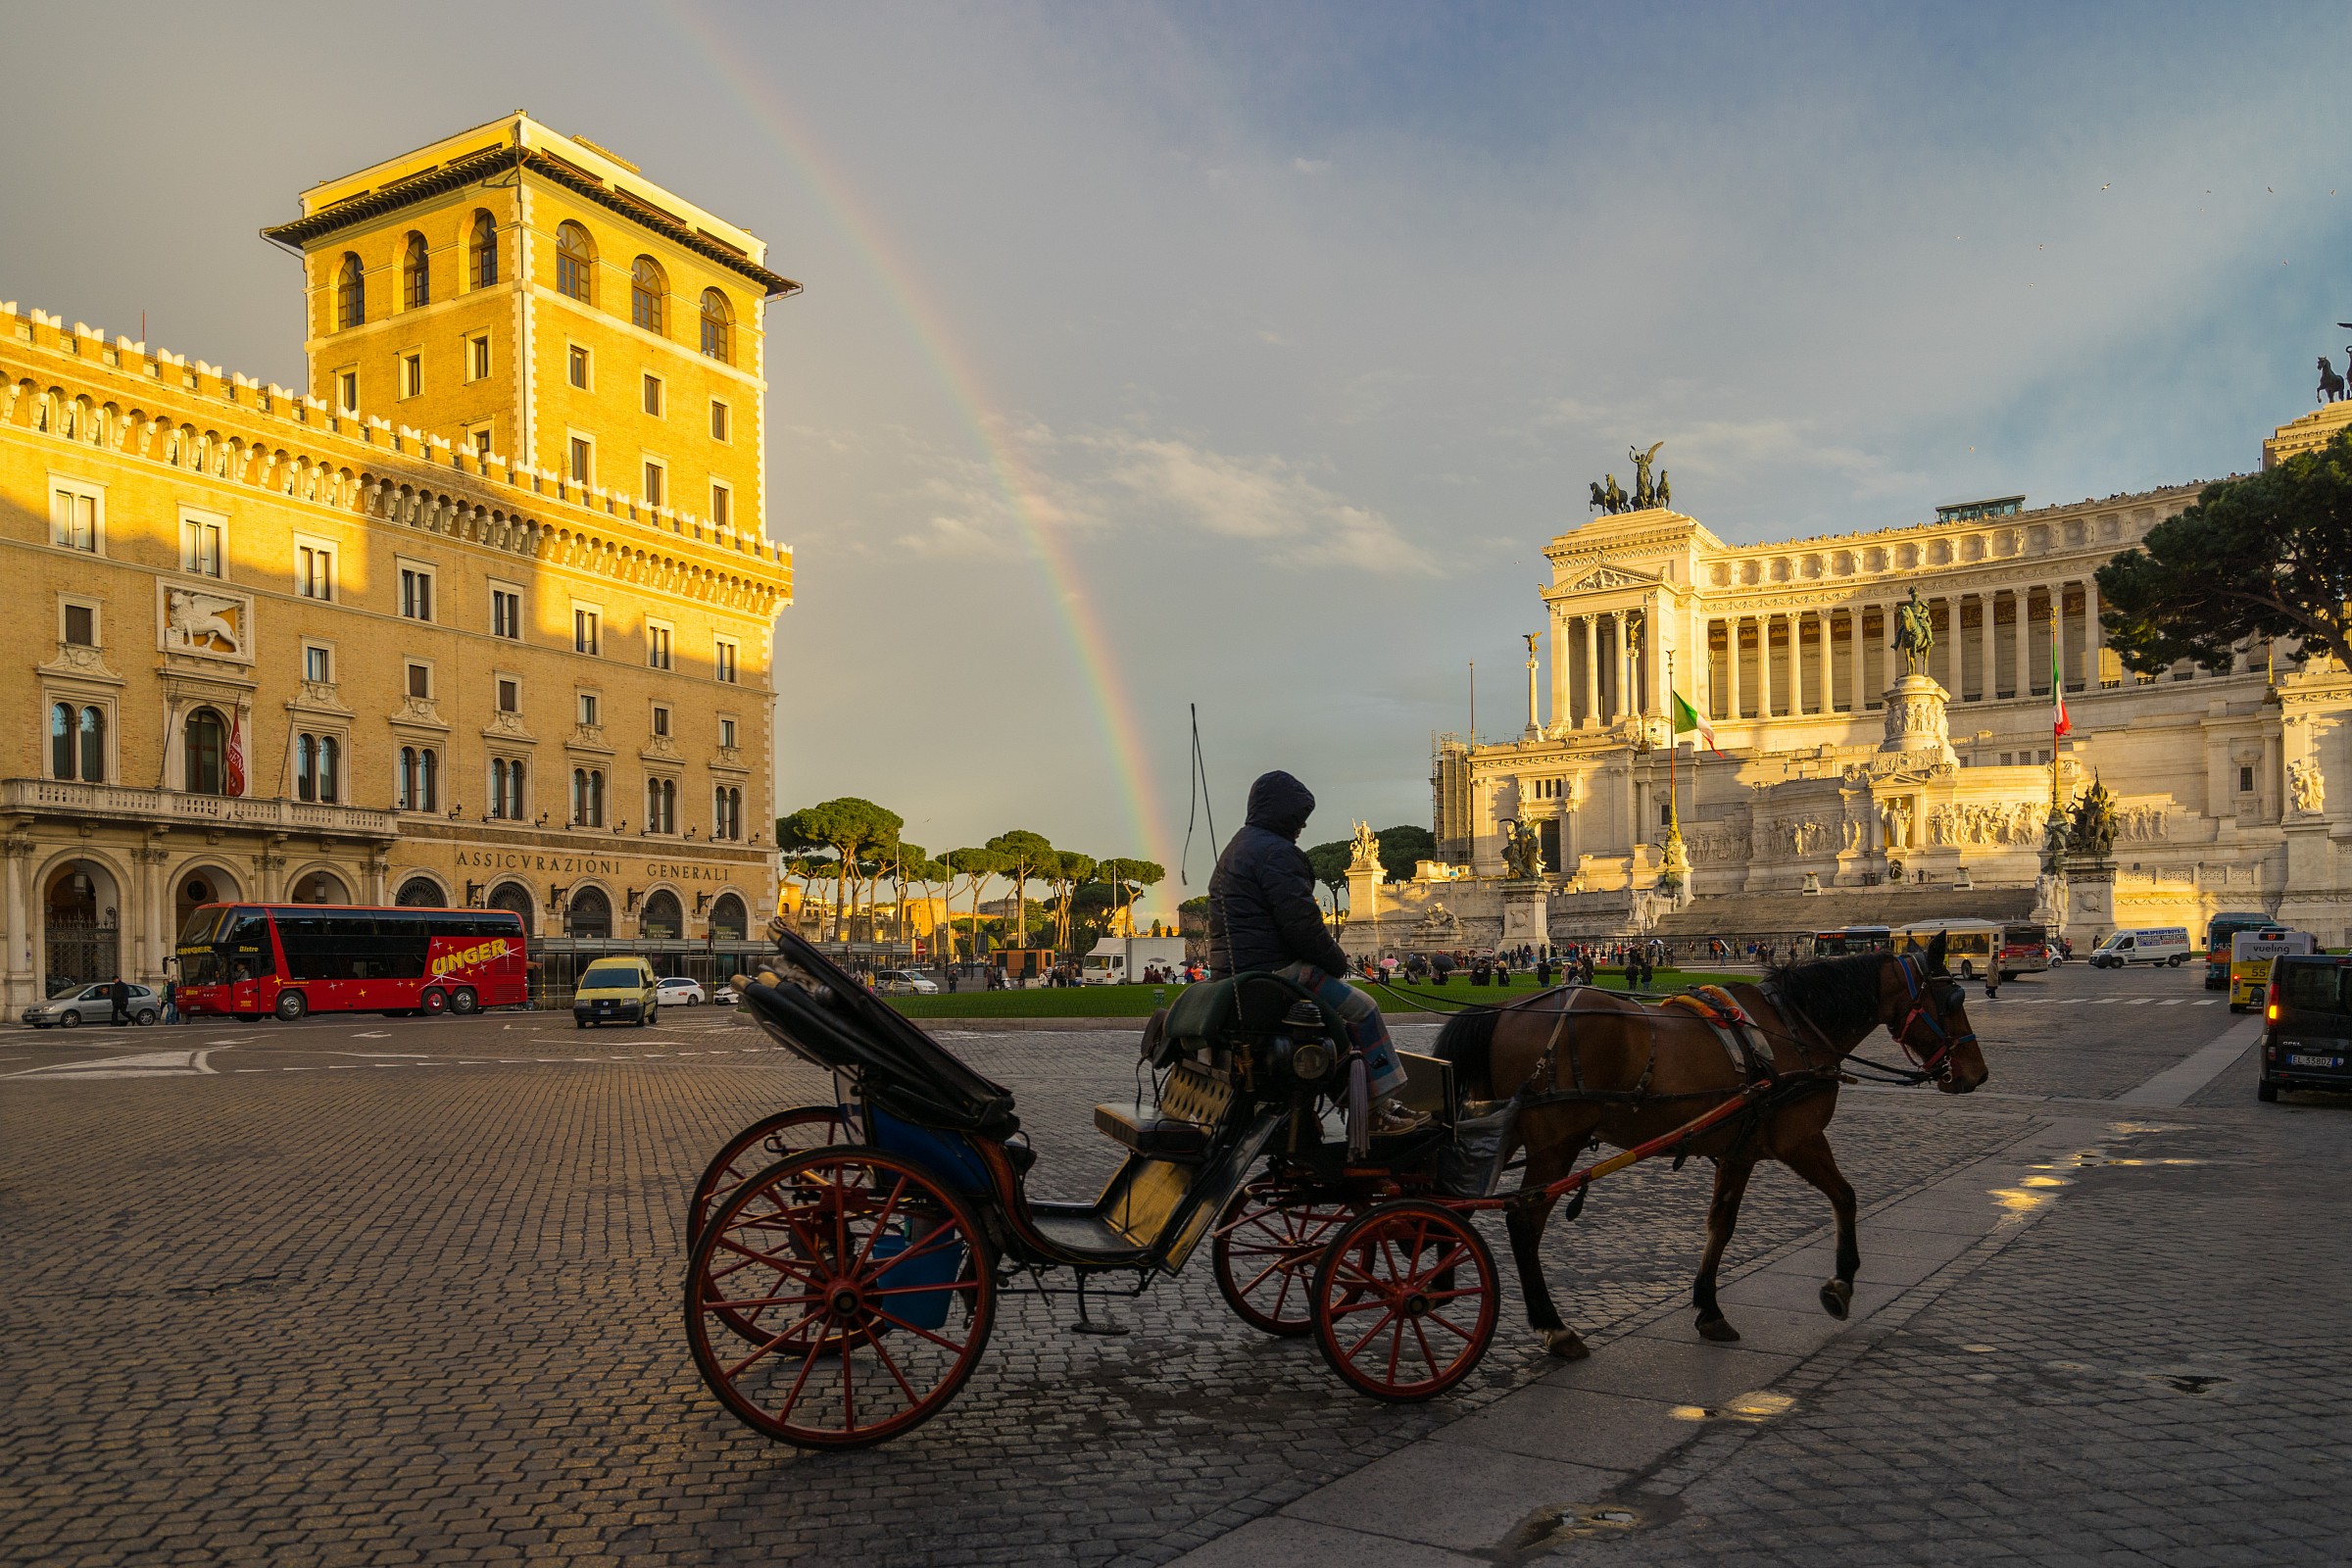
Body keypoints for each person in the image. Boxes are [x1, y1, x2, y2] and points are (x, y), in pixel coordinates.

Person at [1208, 769, 1413, 1122]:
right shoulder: (1277, 853)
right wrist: (1336, 961)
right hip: (1272, 972)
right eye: (1298, 818)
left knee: (1338, 1016)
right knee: (1363, 1008)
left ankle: (1353, 1093)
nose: (1301, 827)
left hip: (1233, 970)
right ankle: (1378, 1107)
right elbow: (1301, 926)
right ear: (1283, 814)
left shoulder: (1238, 847)